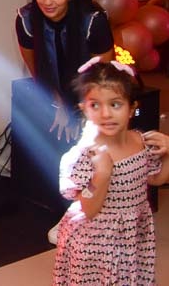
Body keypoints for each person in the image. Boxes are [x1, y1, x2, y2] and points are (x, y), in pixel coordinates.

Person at [52, 59, 169, 285]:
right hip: (94, 244)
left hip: (132, 236)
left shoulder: (141, 141)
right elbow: (88, 208)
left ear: (132, 108)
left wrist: (168, 153)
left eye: (115, 104)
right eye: (95, 105)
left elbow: (156, 178)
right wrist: (101, 176)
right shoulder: (86, 155)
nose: (106, 114)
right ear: (84, 109)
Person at [16, 0, 114, 144]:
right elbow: (37, 70)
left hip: (92, 95)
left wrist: (78, 113)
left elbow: (103, 77)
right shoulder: (27, 20)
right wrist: (59, 103)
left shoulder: (93, 22)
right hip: (53, 93)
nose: (47, 2)